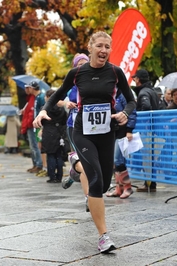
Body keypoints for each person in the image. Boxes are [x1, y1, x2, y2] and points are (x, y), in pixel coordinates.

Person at [33, 31, 136, 253]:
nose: (104, 50)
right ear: (90, 48)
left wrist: (125, 114)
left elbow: (130, 100)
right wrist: (42, 112)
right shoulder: (77, 73)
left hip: (107, 133)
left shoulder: (116, 73)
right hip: (83, 132)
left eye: (108, 47)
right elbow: (56, 94)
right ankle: (103, 236)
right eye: (99, 46)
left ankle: (75, 169)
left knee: (105, 179)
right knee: (96, 178)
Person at [60, 53, 90, 211]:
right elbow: (57, 99)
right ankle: (88, 199)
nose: (82, 66)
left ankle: (73, 175)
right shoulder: (71, 83)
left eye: (85, 63)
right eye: (79, 64)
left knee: (87, 161)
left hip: (91, 127)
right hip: (74, 126)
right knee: (84, 162)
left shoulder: (94, 81)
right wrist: (67, 103)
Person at [132, 69, 159, 192]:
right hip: (154, 130)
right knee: (151, 157)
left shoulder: (143, 93)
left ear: (138, 79)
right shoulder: (151, 91)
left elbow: (146, 106)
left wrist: (142, 121)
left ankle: (148, 184)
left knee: (147, 157)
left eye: (135, 78)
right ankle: (151, 184)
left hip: (147, 130)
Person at [106, 91, 137, 199]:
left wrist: (129, 130)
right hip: (112, 131)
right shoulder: (110, 94)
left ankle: (127, 187)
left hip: (121, 131)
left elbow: (131, 112)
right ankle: (119, 188)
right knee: (115, 161)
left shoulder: (122, 95)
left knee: (118, 160)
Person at [41, 90, 67, 183]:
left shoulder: (45, 109)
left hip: (48, 133)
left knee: (50, 155)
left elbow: (41, 121)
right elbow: (64, 120)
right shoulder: (62, 109)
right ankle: (59, 176)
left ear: (48, 97)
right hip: (59, 133)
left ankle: (52, 176)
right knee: (58, 155)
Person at [20, 81, 44, 174]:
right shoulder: (31, 98)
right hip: (31, 124)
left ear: (32, 88)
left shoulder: (40, 98)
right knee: (33, 146)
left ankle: (39, 164)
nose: (26, 90)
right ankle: (35, 163)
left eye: (28, 87)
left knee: (36, 145)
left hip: (36, 124)